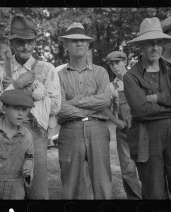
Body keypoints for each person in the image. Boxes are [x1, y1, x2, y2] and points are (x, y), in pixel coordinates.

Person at [0, 14, 61, 199]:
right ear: (12, 43)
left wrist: (30, 90)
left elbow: (55, 107)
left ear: (35, 43)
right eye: (20, 42)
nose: (25, 46)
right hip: (5, 135)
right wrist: (17, 84)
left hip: (36, 134)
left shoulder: (46, 69)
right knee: (8, 190)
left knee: (37, 191)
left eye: (30, 42)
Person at [56, 22, 112, 199]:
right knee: (71, 184)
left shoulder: (100, 72)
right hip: (70, 130)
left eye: (82, 40)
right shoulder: (58, 75)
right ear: (66, 45)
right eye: (74, 41)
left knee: (102, 182)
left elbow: (105, 100)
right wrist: (87, 111)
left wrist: (76, 102)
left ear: (88, 44)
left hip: (98, 130)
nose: (79, 44)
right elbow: (59, 107)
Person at [124, 17, 171, 199]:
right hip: (146, 138)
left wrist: (156, 97)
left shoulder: (170, 70)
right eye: (150, 43)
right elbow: (140, 110)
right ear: (141, 46)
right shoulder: (131, 76)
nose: (155, 47)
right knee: (154, 191)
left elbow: (146, 105)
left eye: (158, 43)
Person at [104, 51, 142, 199]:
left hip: (143, 129)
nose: (114, 66)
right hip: (124, 131)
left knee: (150, 167)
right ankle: (135, 200)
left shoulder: (138, 78)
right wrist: (116, 122)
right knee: (128, 169)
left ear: (124, 62)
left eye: (117, 62)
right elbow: (104, 107)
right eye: (111, 64)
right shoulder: (111, 87)